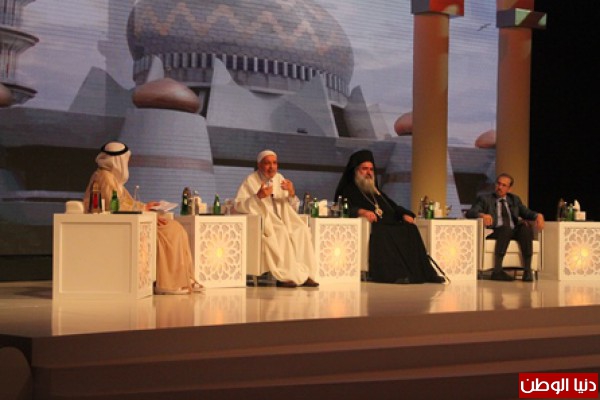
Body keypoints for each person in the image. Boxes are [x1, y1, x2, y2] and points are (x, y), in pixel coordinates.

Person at [83, 141, 202, 294]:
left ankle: (184, 278)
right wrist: (146, 212)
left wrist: (146, 206)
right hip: (120, 225)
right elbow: (115, 207)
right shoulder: (105, 177)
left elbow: (128, 202)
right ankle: (167, 283)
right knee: (171, 232)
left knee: (176, 228)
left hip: (131, 220)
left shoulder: (111, 178)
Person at [334, 149, 445, 284]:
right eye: (364, 169)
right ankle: (395, 275)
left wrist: (404, 214)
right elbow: (344, 208)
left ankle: (426, 273)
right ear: (356, 170)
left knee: (410, 229)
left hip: (388, 223)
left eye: (371, 169)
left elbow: (392, 206)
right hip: (375, 227)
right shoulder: (348, 190)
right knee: (384, 232)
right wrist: (362, 212)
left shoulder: (375, 191)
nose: (369, 172)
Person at [234, 150, 319, 288]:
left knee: (302, 230)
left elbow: (293, 206)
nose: (272, 167)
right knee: (281, 232)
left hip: (285, 218)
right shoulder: (251, 180)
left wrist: (291, 193)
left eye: (274, 163)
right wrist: (258, 197)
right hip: (265, 221)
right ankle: (286, 276)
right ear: (259, 165)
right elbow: (239, 206)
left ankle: (306, 275)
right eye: (267, 163)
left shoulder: (280, 178)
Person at [466, 173, 545, 282]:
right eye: (498, 184)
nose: (500, 187)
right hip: (495, 231)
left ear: (509, 189)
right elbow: (470, 212)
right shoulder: (485, 199)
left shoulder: (514, 199)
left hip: (513, 230)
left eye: (504, 185)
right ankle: (497, 271)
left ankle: (527, 271)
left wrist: (538, 215)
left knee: (525, 229)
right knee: (505, 229)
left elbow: (526, 212)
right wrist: (482, 215)